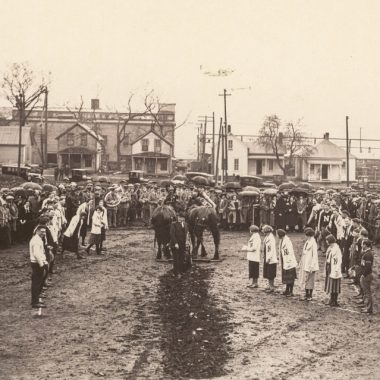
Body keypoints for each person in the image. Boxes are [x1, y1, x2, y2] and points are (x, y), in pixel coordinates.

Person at [29, 226, 48, 308]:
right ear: (37, 231)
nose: (43, 233)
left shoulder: (38, 239)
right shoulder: (36, 241)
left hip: (39, 263)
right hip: (37, 263)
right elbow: (36, 254)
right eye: (42, 231)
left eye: (44, 232)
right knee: (36, 283)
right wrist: (41, 264)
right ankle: (35, 302)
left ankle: (37, 298)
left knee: (39, 282)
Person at [299, 228, 319, 301]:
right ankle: (306, 293)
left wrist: (312, 265)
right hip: (305, 263)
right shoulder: (307, 242)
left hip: (310, 264)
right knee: (305, 279)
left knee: (310, 280)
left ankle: (310, 295)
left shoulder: (313, 243)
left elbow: (315, 256)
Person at [277, 229, 298, 296]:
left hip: (289, 261)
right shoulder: (282, 240)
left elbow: (289, 252)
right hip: (285, 260)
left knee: (290, 277)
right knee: (286, 277)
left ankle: (291, 291)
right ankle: (287, 289)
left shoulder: (287, 241)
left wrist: (288, 260)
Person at [169, 210, 190, 277]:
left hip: (183, 244)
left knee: (182, 258)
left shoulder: (185, 224)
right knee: (176, 258)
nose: (181, 219)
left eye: (182, 217)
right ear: (177, 217)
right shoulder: (173, 224)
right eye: (180, 217)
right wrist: (175, 243)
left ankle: (180, 271)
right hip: (176, 244)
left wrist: (187, 242)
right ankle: (176, 272)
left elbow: (187, 234)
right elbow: (172, 234)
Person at [324, 234, 343, 307]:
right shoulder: (331, 248)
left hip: (334, 269)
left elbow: (337, 261)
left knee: (334, 285)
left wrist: (335, 270)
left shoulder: (336, 250)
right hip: (330, 268)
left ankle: (334, 300)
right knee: (331, 285)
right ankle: (332, 299)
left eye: (327, 241)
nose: (326, 242)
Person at [359, 240, 374, 314]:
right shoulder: (367, 253)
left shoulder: (368, 254)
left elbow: (367, 267)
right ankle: (367, 307)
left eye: (362, 244)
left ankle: (369, 309)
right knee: (366, 292)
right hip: (367, 275)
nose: (361, 245)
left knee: (367, 292)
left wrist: (363, 275)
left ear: (365, 245)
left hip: (367, 275)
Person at [262, 225, 277, 292]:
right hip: (267, 256)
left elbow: (271, 249)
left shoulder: (271, 238)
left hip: (271, 258)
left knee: (271, 273)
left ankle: (271, 287)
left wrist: (269, 258)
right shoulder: (267, 237)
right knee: (268, 272)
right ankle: (269, 285)